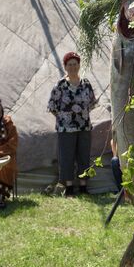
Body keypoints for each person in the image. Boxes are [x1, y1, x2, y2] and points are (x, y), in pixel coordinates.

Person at [47, 52, 97, 197]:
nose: (73, 67)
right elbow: (52, 106)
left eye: (75, 64)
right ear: (65, 67)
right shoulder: (60, 85)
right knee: (66, 156)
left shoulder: (86, 83)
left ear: (79, 65)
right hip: (65, 128)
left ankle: (83, 186)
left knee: (83, 155)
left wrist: (81, 116)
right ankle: (68, 188)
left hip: (84, 127)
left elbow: (92, 103)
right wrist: (64, 118)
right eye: (70, 64)